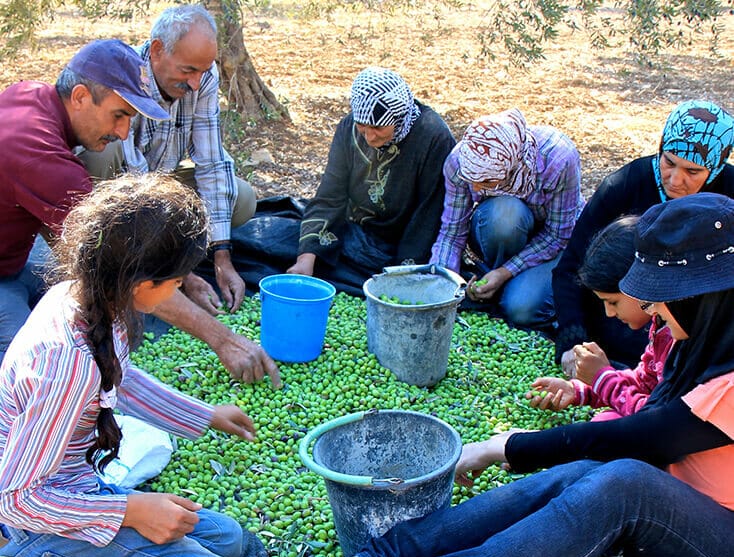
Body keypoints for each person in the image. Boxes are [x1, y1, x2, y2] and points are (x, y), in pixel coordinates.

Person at [252, 193, 734, 557]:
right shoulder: (705, 340)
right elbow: (639, 420)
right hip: (683, 512)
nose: (656, 314)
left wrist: (506, 446)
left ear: (705, 298)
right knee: (587, 473)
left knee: (624, 483)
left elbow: (644, 438)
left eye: (661, 302)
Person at [0, 175, 259, 557]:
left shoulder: (88, 299)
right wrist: (131, 510)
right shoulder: (63, 363)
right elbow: (19, 499)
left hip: (75, 493)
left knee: (228, 539)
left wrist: (201, 415)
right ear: (145, 285)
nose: (183, 288)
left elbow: (118, 377)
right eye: (179, 279)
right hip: (42, 519)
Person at [0, 37, 279, 385]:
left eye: (128, 120)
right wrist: (224, 339)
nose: (121, 132)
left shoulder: (29, 94)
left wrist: (178, 274)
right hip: (4, 276)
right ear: (81, 97)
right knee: (33, 371)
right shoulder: (41, 158)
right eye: (119, 115)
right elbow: (124, 271)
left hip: (13, 260)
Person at [80, 4, 256, 318]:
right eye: (188, 70)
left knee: (243, 200)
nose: (195, 83)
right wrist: (180, 276)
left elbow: (212, 161)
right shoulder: (128, 75)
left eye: (203, 71)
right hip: (122, 184)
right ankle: (121, 253)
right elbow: (136, 183)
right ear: (158, 51)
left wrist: (222, 258)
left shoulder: (202, 77)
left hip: (165, 176)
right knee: (101, 154)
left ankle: (171, 250)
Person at [231, 67, 456, 296]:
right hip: (348, 229)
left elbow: (428, 216)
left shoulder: (433, 137)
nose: (369, 137)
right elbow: (330, 197)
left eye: (378, 127)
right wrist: (306, 259)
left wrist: (403, 277)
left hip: (398, 244)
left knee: (403, 283)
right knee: (253, 240)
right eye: (363, 126)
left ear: (399, 119)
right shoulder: (349, 128)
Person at [552, 100, 734, 376]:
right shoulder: (626, 184)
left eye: (692, 172)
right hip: (625, 316)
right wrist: (572, 341)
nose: (674, 180)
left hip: (693, 324)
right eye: (669, 162)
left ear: (716, 169)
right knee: (524, 307)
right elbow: (572, 266)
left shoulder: (728, 197)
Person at [429, 108, 585, 330]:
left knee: (521, 309)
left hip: (553, 242)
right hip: (501, 228)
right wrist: (440, 286)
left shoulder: (559, 159)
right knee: (505, 214)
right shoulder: (459, 162)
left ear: (510, 170)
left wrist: (503, 273)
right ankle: (494, 282)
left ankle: (502, 283)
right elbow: (452, 233)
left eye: (485, 182)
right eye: (471, 180)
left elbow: (558, 235)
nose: (474, 189)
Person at [528, 216, 674, 420]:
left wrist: (601, 377)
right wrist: (579, 392)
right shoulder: (660, 323)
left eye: (613, 302)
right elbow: (645, 381)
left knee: (603, 426)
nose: (609, 313)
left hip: (681, 439)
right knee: (603, 422)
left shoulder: (677, 336)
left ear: (641, 284)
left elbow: (655, 418)